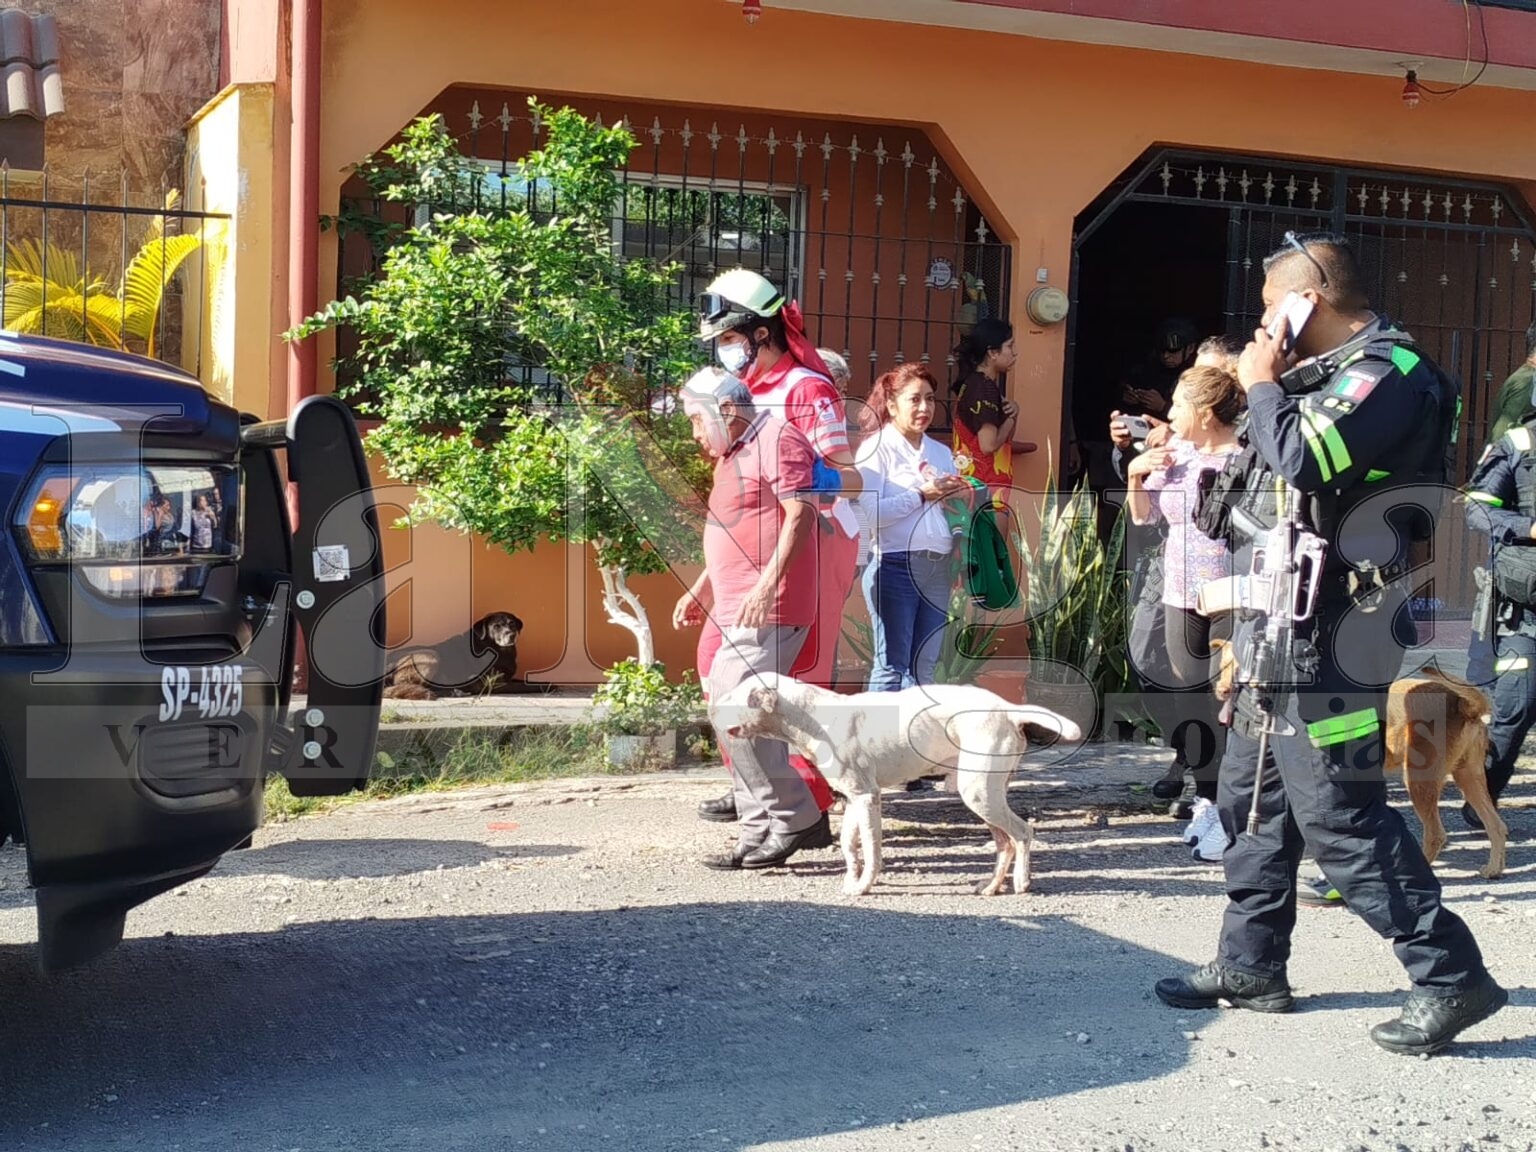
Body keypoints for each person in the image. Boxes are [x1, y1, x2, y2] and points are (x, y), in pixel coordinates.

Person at [1154, 232, 1505, 1056]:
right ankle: (1250, 966)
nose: (1267, 323)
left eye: (1276, 305)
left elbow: (1308, 459)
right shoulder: (1315, 382)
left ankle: (1450, 975)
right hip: (1284, 626)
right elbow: (1258, 491)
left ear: (1309, 301)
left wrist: (1264, 386)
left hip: (1345, 632)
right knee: (1253, 800)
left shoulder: (1390, 373)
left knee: (1341, 815)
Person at [692, 270, 861, 826]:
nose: (725, 350)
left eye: (729, 338)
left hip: (811, 541)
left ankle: (808, 799)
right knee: (716, 666)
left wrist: (794, 476)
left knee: (796, 681)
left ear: (761, 333)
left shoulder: (807, 388)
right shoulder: (744, 392)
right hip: (747, 551)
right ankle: (752, 787)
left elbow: (845, 477)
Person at [672, 368, 833, 870]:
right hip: (735, 604)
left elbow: (801, 515)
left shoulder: (780, 439)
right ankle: (760, 827)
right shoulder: (733, 454)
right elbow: (734, 529)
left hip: (772, 605)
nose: (695, 433)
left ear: (727, 410)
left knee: (736, 713)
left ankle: (793, 818)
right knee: (736, 718)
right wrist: (703, 587)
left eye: (698, 420)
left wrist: (766, 586)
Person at [1110, 334, 1244, 815]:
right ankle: (1208, 796)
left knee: (1225, 697)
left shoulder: (1247, 457)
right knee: (1186, 694)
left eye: (1179, 406)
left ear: (1205, 413)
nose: (1170, 415)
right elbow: (1144, 518)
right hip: (1178, 588)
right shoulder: (1176, 452)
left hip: (1231, 592)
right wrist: (1135, 473)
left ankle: (1234, 796)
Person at [860, 364, 970, 691]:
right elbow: (871, 516)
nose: (924, 408)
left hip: (937, 569)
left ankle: (913, 740)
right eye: (915, 400)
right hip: (895, 567)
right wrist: (921, 494)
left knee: (925, 665)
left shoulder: (940, 452)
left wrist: (959, 506)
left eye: (931, 399)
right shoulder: (875, 449)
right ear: (892, 405)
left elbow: (952, 510)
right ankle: (875, 741)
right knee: (892, 666)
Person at [1463, 414, 1536, 833]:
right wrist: (1528, 527)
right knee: (1515, 705)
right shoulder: (1519, 443)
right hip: (1524, 614)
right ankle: (1481, 801)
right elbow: (1477, 508)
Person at [1464, 320, 1536, 690]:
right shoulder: (1526, 385)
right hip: (1513, 507)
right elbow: (1512, 444)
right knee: (1500, 603)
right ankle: (1482, 689)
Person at [951, 319, 1033, 500]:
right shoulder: (984, 389)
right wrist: (1012, 417)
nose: (1015, 352)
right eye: (1010, 346)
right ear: (993, 352)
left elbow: (1005, 439)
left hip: (974, 485)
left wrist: (1012, 414)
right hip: (986, 488)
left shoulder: (974, 383)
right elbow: (988, 446)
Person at [1118, 317, 1201, 421]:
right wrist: (1128, 396)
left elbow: (1199, 420)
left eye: (1173, 351)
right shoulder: (1146, 369)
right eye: (1162, 351)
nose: (1166, 356)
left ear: (1190, 348)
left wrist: (1163, 407)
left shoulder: (1199, 376)